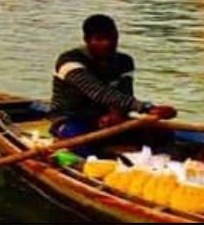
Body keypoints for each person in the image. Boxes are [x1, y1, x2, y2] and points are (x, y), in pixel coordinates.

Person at [50, 14, 177, 145]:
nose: (107, 44)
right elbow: (98, 92)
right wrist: (147, 108)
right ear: (87, 40)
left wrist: (116, 113)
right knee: (83, 142)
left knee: (163, 133)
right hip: (70, 118)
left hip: (105, 117)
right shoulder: (69, 61)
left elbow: (125, 94)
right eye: (99, 39)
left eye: (112, 38)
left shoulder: (124, 61)